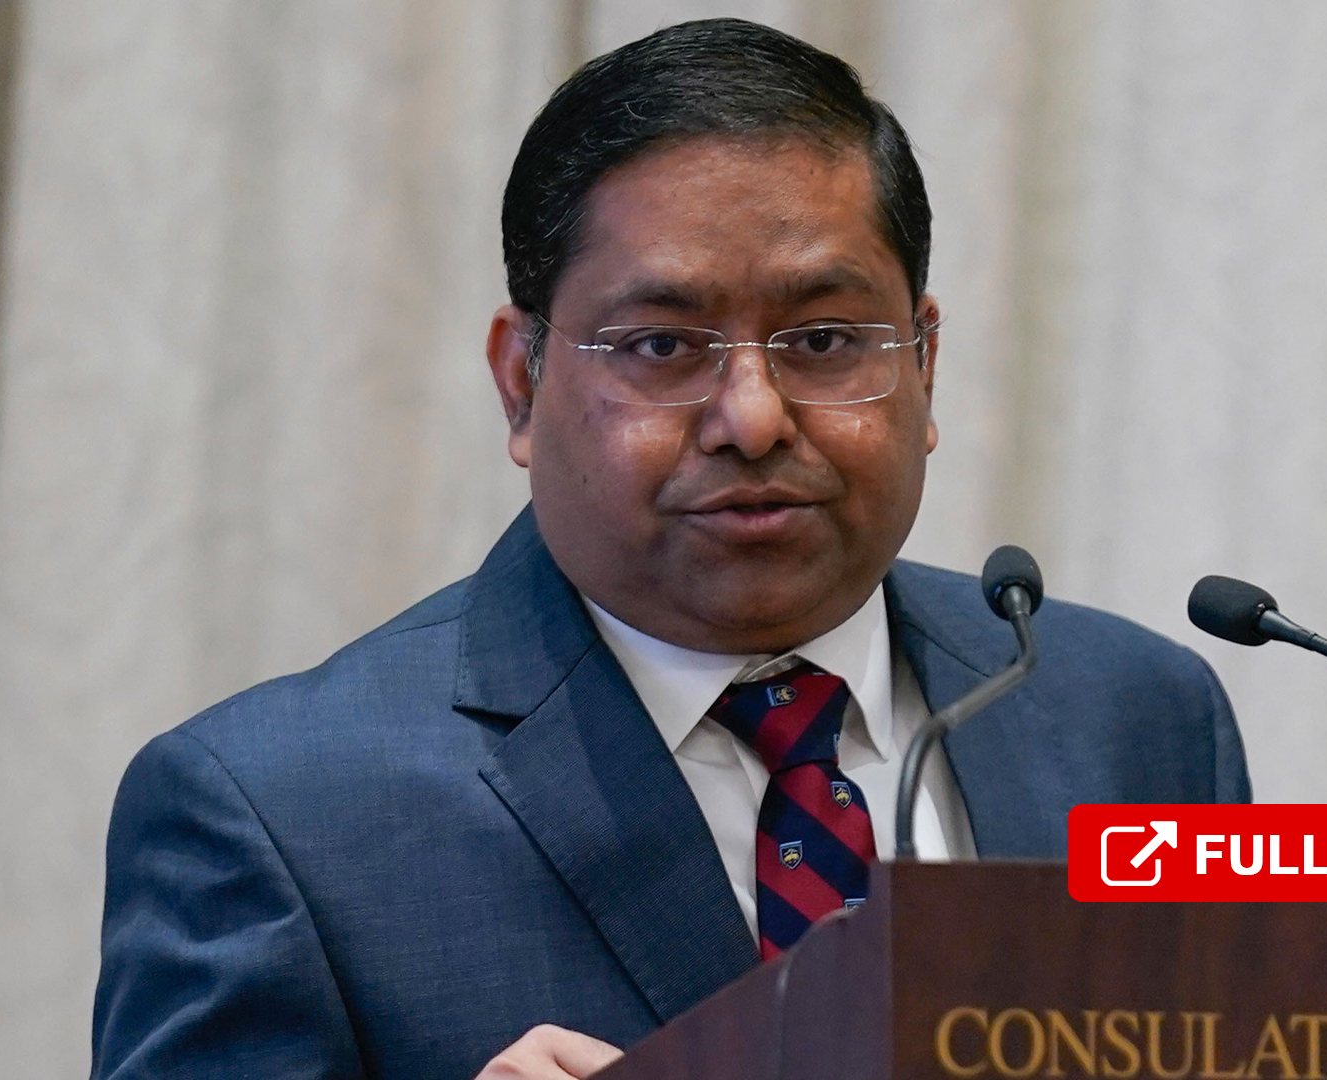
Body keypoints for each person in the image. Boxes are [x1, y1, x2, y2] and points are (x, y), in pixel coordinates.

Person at [91, 17, 1249, 1080]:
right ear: (520, 382)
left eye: (825, 340)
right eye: (661, 347)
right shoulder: (278, 817)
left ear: (925, 365)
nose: (753, 418)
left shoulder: (1136, 721)